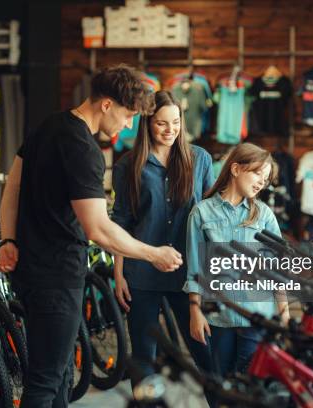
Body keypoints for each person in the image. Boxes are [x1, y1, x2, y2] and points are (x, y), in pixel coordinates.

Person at [0, 65, 183, 408]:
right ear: (107, 105)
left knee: (62, 374)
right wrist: (153, 254)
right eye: (128, 116)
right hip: (56, 274)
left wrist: (8, 239)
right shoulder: (84, 149)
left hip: (32, 269)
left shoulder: (47, 126)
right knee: (46, 380)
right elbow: (99, 229)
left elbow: (13, 185)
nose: (129, 126)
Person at [112, 90, 215, 384]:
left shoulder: (200, 159)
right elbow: (121, 222)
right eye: (161, 124)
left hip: (188, 275)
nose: (170, 130)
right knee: (144, 358)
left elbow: (210, 217)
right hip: (141, 276)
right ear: (147, 124)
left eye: (176, 122)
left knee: (205, 355)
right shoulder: (128, 166)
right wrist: (119, 275)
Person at [184, 143, 290, 378]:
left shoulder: (264, 215)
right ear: (235, 169)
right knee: (220, 385)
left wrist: (284, 313)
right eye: (257, 173)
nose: (262, 181)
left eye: (266, 177)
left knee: (250, 388)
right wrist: (195, 311)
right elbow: (195, 268)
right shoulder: (201, 213)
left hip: (258, 317)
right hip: (218, 319)